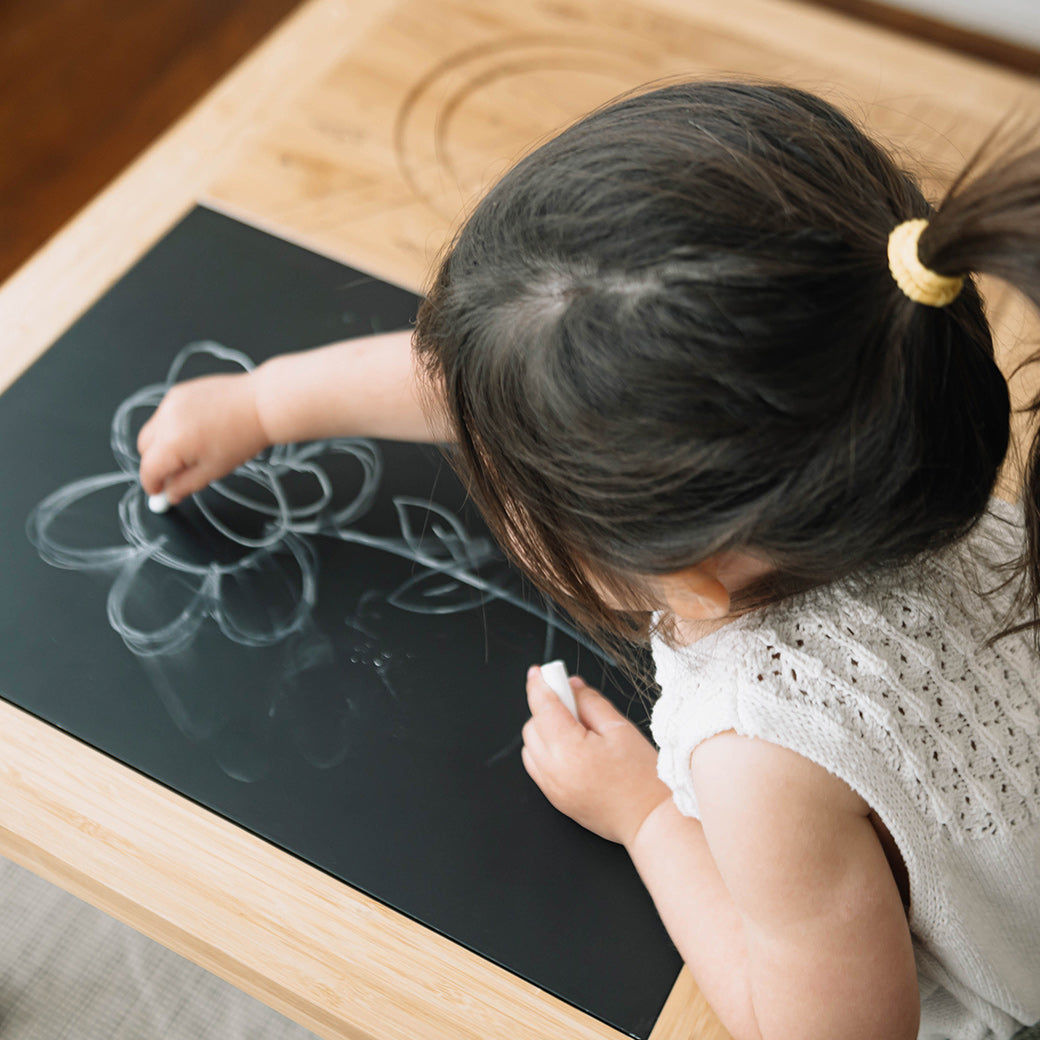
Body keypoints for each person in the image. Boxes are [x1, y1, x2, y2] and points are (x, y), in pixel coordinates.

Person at [138, 81, 1040, 1040]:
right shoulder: (878, 440)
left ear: (683, 568)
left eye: (513, 483)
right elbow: (508, 385)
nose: (486, 471)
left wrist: (649, 815)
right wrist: (267, 404)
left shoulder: (763, 759)